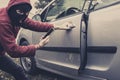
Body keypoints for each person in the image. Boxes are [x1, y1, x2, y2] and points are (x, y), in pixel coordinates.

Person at [0, 0, 74, 80]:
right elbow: (13, 51)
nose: (23, 17)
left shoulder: (18, 16)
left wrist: (57, 26)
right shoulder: (3, 22)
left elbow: (35, 24)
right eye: (20, 12)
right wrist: (38, 46)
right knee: (17, 70)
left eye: (27, 13)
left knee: (18, 71)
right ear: (12, 8)